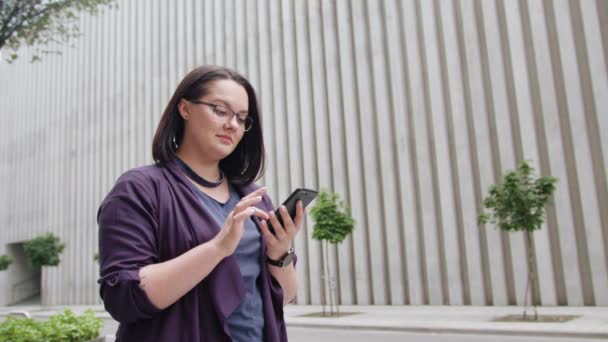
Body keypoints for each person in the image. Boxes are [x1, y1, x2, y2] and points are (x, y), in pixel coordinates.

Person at [97, 65, 304, 341]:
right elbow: (122, 296)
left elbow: (283, 297)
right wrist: (218, 248)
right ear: (185, 108)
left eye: (242, 118)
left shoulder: (253, 198)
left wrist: (279, 254)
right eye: (220, 110)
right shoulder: (140, 189)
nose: (233, 124)